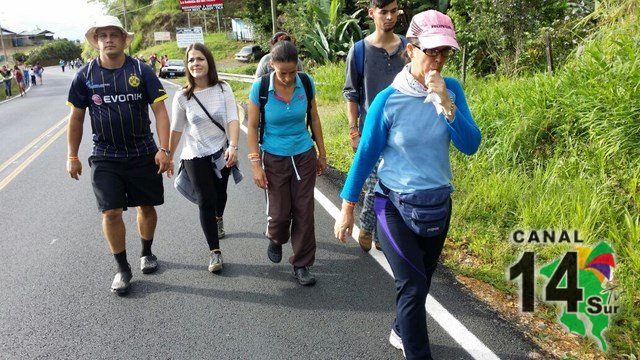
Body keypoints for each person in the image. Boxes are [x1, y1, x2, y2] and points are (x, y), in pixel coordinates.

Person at [334, 10, 481, 359]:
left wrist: (447, 104)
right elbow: (366, 155)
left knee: (423, 283)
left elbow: (471, 144)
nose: (439, 60)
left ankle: (401, 328)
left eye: (445, 52)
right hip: (392, 206)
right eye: (432, 51)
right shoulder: (388, 99)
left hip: (437, 204)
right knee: (413, 285)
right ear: (411, 48)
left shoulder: (452, 90)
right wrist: (347, 209)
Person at [66, 15, 171, 295]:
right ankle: (122, 269)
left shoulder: (142, 70)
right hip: (105, 155)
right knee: (111, 211)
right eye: (103, 35)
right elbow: (76, 119)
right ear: (96, 41)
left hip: (142, 152)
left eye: (114, 34)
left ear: (125, 39)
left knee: (146, 207)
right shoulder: (85, 76)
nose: (108, 39)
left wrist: (164, 149)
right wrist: (72, 155)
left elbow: (160, 111)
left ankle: (147, 252)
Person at [247, 40, 328, 286]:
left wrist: (321, 153)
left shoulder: (306, 82)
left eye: (292, 72)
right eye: (282, 72)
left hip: (303, 153)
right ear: (272, 66)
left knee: (304, 211)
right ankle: (275, 237)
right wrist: (255, 164)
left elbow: (313, 117)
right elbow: (251, 126)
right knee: (280, 214)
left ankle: (302, 263)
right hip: (273, 156)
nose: (288, 78)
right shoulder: (260, 88)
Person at [167, 43, 240, 272]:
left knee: (220, 193)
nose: (195, 64)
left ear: (208, 61)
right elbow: (177, 129)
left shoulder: (223, 88)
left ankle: (219, 218)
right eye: (191, 60)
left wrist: (234, 146)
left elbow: (232, 119)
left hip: (221, 150)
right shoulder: (182, 96)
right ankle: (214, 252)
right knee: (205, 199)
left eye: (199, 59)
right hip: (194, 154)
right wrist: (169, 155)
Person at [343, 0, 407, 252]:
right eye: (384, 12)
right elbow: (351, 94)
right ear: (372, 14)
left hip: (404, 132)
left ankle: (379, 231)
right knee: (373, 187)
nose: (389, 17)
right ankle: (370, 227)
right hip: (372, 131)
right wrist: (353, 130)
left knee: (394, 187)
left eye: (394, 11)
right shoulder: (359, 51)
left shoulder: (408, 47)